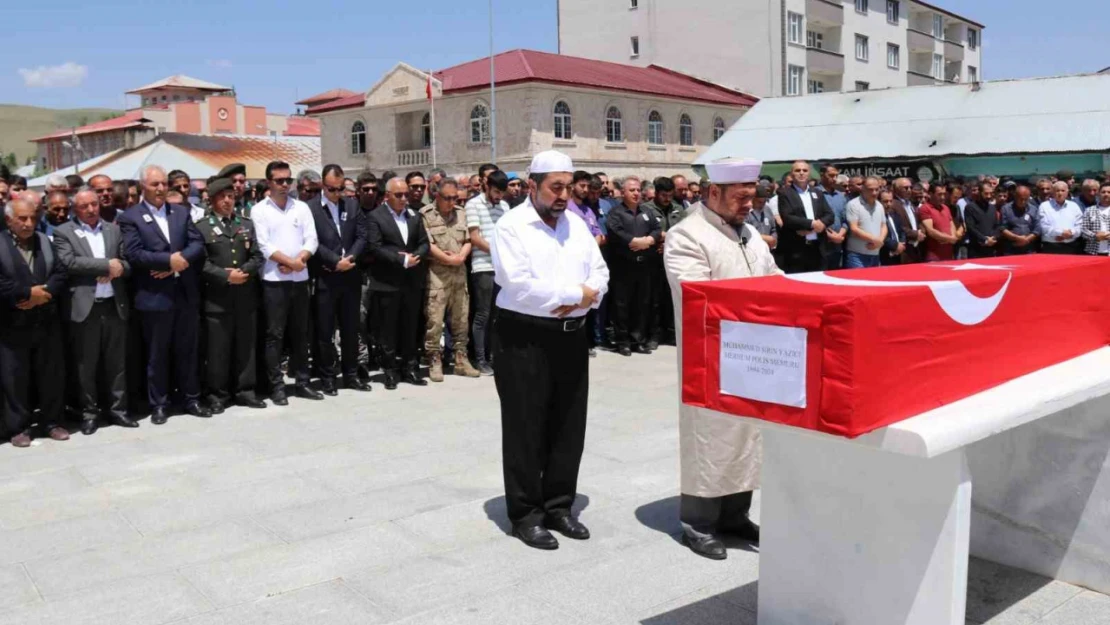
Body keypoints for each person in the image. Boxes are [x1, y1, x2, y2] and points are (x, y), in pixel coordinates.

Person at [664, 157, 781, 560]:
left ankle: (736, 515)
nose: (749, 205)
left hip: (753, 352)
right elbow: (697, 296)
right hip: (710, 355)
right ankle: (698, 523)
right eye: (741, 198)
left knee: (748, 434)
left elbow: (774, 279)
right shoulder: (686, 236)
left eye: (753, 198)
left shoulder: (747, 232)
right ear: (714, 192)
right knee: (710, 436)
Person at [491, 150, 608, 550]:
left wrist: (585, 298)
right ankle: (526, 514)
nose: (563, 195)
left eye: (568, 187)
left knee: (568, 424)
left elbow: (601, 272)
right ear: (532, 186)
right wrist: (578, 294)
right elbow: (517, 283)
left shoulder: (575, 224)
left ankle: (560, 506)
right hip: (524, 337)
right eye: (555, 187)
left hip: (571, 337)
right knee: (526, 427)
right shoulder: (511, 226)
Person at [119, 165, 209, 424]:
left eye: (162, 184)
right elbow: (134, 254)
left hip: (184, 293)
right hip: (154, 296)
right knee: (157, 354)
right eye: (154, 184)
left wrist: (179, 260)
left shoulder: (180, 212)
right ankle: (159, 403)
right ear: (142, 187)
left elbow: (197, 243)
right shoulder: (130, 217)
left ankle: (191, 398)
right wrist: (167, 261)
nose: (160, 189)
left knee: (188, 350)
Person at [53, 189, 136, 435]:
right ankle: (89, 414)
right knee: (85, 366)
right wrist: (103, 265)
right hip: (85, 308)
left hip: (113, 305)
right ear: (74, 209)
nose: (90, 210)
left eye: (94, 204)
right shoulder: (63, 232)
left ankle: (119, 411)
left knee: (117, 364)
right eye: (84, 206)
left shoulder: (113, 229)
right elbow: (68, 262)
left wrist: (118, 266)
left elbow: (128, 261)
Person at [252, 160, 323, 405]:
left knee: (301, 333)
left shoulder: (301, 208)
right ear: (269, 182)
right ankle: (276, 386)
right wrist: (291, 263)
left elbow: (311, 240)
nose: (285, 185)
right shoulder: (259, 210)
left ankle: (302, 382)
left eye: (288, 180)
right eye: (279, 180)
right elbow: (264, 245)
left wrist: (298, 260)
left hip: (300, 280)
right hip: (274, 281)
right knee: (275, 335)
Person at [0, 198, 69, 447]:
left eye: (32, 218)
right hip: (12, 325)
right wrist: (27, 294)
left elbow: (61, 273)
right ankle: (18, 427)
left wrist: (45, 293)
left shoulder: (44, 242)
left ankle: (53, 422)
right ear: (9, 220)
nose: (29, 223)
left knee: (51, 375)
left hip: (46, 322)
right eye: (22, 219)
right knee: (15, 378)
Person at [195, 178, 267, 412]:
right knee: (218, 350)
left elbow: (258, 255)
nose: (227, 201)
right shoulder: (202, 227)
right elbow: (200, 264)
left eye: (231, 196)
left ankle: (245, 390)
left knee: (246, 347)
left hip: (245, 296)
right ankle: (217, 394)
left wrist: (243, 272)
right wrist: (225, 276)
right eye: (222, 197)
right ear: (212, 200)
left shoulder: (246, 224)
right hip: (217, 300)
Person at [308, 164, 370, 394]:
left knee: (350, 328)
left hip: (350, 276)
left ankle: (351, 374)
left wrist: (351, 258)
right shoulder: (310, 209)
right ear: (323, 186)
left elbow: (362, 235)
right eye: (332, 189)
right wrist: (335, 261)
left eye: (340, 188)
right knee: (325, 331)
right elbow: (312, 241)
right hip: (326, 276)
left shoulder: (352, 205)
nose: (337, 193)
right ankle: (327, 377)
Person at [366, 176, 429, 389]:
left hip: (411, 282)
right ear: (387, 196)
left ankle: (410, 368)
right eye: (399, 195)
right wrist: (401, 259)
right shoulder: (376, 217)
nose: (404, 198)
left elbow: (424, 243)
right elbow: (375, 247)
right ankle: (390, 370)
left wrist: (415, 257)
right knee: (388, 329)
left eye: (406, 194)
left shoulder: (414, 216)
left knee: (410, 327)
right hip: (387, 282)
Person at [420, 179, 481, 382]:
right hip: (438, 274)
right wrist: (447, 259)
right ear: (437, 195)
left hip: (459, 273)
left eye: (455, 198)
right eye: (448, 198)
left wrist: (461, 257)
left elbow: (468, 239)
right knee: (435, 319)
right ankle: (434, 359)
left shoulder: (461, 213)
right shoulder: (426, 215)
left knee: (461, 317)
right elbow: (426, 244)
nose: (452, 202)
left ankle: (461, 359)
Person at [605, 176, 661, 356]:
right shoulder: (616, 213)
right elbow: (615, 231)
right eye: (632, 190)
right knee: (622, 304)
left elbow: (656, 228)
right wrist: (634, 241)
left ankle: (639, 340)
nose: (636, 193)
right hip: (623, 267)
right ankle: (623, 342)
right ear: (623, 193)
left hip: (644, 266)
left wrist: (650, 239)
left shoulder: (647, 211)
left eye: (638, 190)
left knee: (642, 303)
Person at [466, 170, 509, 376]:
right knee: (482, 315)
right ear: (486, 186)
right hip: (483, 266)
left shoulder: (505, 206)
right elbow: (474, 237)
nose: (498, 196)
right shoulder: (473, 204)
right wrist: (497, 251)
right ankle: (480, 358)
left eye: (502, 192)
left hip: (501, 268)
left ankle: (493, 356)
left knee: (496, 315)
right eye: (495, 191)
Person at [777, 161, 834, 273]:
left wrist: (821, 225)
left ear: (809, 174)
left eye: (805, 170)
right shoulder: (785, 194)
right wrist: (812, 224)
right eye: (797, 170)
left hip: (818, 249)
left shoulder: (817, 192)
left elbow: (830, 215)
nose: (801, 173)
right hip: (797, 250)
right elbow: (788, 218)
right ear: (792, 174)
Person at [844, 176, 888, 269]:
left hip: (875, 254)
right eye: (870, 189)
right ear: (863, 189)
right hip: (857, 256)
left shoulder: (879, 205)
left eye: (877, 189)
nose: (874, 192)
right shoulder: (853, 204)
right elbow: (854, 228)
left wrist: (879, 241)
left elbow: (883, 226)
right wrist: (875, 240)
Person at [1038, 181, 1084, 255]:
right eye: (1057, 190)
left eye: (1063, 191)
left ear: (1067, 192)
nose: (1060, 193)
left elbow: (1080, 225)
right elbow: (1044, 227)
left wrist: (1071, 233)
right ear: (1052, 192)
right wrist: (1061, 233)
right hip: (1051, 247)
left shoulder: (1074, 206)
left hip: (1071, 247)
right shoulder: (1044, 206)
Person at [817, 165, 847, 270]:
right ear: (822, 175)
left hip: (838, 245)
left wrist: (840, 235)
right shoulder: (814, 194)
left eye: (836, 176)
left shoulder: (841, 196)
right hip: (820, 245)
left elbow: (845, 219)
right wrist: (830, 236)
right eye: (831, 175)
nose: (834, 178)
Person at [920, 184, 959, 262]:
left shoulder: (946, 208)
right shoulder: (925, 208)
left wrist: (953, 236)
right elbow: (930, 231)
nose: (942, 197)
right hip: (933, 255)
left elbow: (951, 224)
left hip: (948, 254)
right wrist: (950, 238)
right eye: (939, 194)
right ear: (930, 194)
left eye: (944, 194)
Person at [891, 178, 925, 263]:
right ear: (897, 189)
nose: (909, 190)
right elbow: (896, 226)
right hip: (903, 249)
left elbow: (917, 221)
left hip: (915, 248)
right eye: (905, 188)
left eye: (910, 187)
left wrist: (921, 232)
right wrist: (915, 234)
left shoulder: (910, 203)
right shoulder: (893, 204)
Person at [1000, 185, 1039, 256]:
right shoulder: (1006, 209)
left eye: (1026, 199)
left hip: (1029, 249)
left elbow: (1037, 229)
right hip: (1011, 249)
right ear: (1015, 197)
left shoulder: (1033, 209)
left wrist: (1026, 240)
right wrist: (1017, 238)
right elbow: (1002, 228)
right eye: (1021, 199)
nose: (1023, 202)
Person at [965, 181, 1000, 259]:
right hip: (976, 250)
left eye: (991, 193)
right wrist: (984, 239)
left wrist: (994, 238)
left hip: (991, 249)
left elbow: (997, 225)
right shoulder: (970, 207)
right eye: (986, 193)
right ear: (980, 192)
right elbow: (970, 227)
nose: (989, 196)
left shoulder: (992, 208)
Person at [746, 183, 778, 251]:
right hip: (752, 249)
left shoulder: (767, 209)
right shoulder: (745, 213)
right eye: (759, 202)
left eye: (764, 202)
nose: (762, 205)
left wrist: (774, 239)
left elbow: (773, 229)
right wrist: (764, 238)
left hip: (768, 249)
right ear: (752, 199)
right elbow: (744, 232)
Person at [878, 189, 907, 266]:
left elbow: (902, 231)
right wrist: (895, 246)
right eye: (885, 201)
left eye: (891, 201)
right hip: (883, 256)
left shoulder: (894, 215)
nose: (889, 204)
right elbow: (881, 235)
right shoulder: (876, 218)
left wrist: (902, 243)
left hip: (898, 255)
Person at [1081, 181, 1110, 256]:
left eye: (1109, 192)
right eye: (1103, 192)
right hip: (1093, 252)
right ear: (1098, 194)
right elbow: (1083, 230)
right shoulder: (1089, 210)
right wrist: (1095, 236)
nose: (1106, 194)